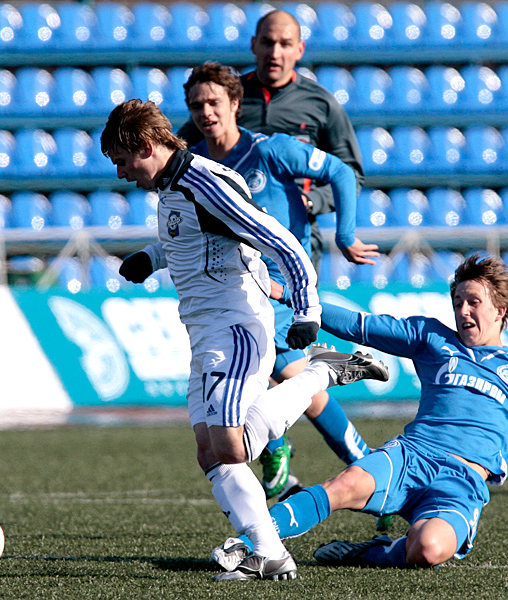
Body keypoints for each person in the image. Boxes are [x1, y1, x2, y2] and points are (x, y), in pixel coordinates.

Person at [100, 99, 390, 581]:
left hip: (234, 327)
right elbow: (195, 238)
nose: (121, 173)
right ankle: (270, 552)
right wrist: (152, 257)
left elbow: (281, 240)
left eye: (122, 160)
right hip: (203, 333)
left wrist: (307, 309)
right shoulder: (173, 184)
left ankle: (322, 370)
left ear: (146, 147)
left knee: (232, 448)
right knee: (208, 452)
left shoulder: (203, 181)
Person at [211, 254, 508, 572]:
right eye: (457, 302)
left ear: (500, 309)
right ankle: (249, 543)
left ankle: (372, 551)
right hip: (412, 455)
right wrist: (288, 295)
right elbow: (359, 324)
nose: (463, 311)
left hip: (462, 482)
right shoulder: (432, 339)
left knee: (428, 550)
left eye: (473, 302)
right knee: (342, 486)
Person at [177, 11, 369, 499]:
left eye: (285, 43)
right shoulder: (217, 103)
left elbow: (346, 171)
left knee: (280, 364)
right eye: (267, 42)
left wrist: (332, 220)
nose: (275, 51)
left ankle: (323, 456)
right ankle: (362, 466)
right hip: (234, 271)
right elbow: (177, 163)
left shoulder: (310, 112)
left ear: (299, 49)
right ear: (254, 45)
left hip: (288, 259)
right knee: (279, 367)